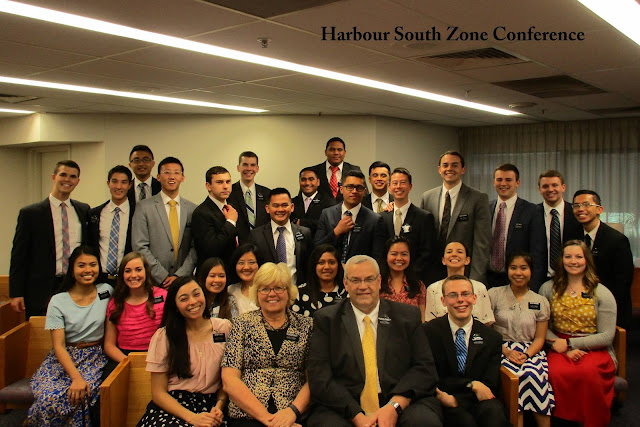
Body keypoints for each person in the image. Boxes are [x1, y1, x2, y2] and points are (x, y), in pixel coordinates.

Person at [307, 255, 441, 427]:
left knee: (424, 422)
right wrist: (356, 415)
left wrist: (395, 406)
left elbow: (425, 368)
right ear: (345, 284)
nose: (363, 286)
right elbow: (320, 377)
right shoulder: (326, 320)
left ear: (379, 281)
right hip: (345, 405)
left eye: (369, 279)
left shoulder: (407, 316)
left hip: (399, 399)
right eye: (355, 280)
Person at [28, 245, 112, 426]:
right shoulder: (58, 301)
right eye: (81, 265)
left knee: (85, 394)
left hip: (95, 356)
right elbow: (58, 346)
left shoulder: (106, 291)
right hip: (64, 357)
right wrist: (76, 377)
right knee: (49, 397)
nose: (88, 270)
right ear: (72, 270)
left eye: (93, 265)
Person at [221, 263, 313, 426]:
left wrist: (292, 412)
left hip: (293, 414)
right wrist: (267, 418)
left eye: (278, 288)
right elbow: (229, 379)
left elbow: (314, 379)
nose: (272, 294)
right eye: (264, 289)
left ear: (288, 292)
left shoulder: (307, 326)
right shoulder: (241, 324)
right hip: (247, 415)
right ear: (256, 293)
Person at [539, 240, 617, 427]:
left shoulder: (602, 293)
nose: (573, 261)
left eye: (578, 257)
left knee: (589, 374)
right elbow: (542, 326)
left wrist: (571, 345)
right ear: (561, 260)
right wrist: (562, 346)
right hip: (557, 345)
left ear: (587, 260)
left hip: (594, 348)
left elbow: (607, 336)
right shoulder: (548, 288)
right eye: (568, 257)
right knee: (556, 373)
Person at [138, 276, 231, 427]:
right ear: (175, 306)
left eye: (196, 294)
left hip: (212, 405)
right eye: (184, 299)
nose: (193, 302)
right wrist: (192, 418)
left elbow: (228, 378)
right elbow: (158, 393)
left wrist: (219, 406)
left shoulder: (224, 328)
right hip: (174, 406)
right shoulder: (164, 336)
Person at [423, 275, 510, 427]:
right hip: (442, 399)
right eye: (453, 295)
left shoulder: (492, 337)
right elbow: (432, 377)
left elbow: (489, 385)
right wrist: (471, 384)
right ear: (443, 301)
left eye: (465, 294)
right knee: (464, 422)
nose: (460, 300)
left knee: (495, 413)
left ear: (474, 298)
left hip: (477, 400)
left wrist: (458, 400)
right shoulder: (429, 332)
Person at [10, 160, 90, 318]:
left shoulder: (83, 210)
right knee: (42, 331)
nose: (67, 180)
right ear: (54, 177)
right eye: (63, 175)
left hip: (74, 285)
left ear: (77, 181)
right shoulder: (31, 214)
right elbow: (19, 255)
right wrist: (16, 292)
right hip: (41, 289)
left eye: (72, 177)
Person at [488, 253, 554, 427]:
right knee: (514, 378)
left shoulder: (540, 301)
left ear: (531, 271)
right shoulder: (494, 294)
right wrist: (506, 351)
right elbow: (487, 332)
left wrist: (526, 355)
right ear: (507, 270)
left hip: (531, 350)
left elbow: (540, 338)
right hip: (499, 348)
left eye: (523, 268)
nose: (518, 273)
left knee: (534, 375)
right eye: (513, 268)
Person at [420, 151, 491, 283]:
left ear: (462, 169)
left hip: (465, 273)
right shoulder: (427, 197)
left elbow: (482, 244)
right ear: (439, 169)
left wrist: (475, 280)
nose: (449, 169)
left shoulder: (478, 198)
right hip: (432, 273)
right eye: (445, 165)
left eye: (455, 165)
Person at [132, 156, 198, 287]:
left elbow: (195, 247)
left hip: (183, 281)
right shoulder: (144, 207)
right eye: (167, 172)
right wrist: (162, 276)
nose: (172, 177)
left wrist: (180, 275)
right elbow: (139, 246)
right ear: (158, 177)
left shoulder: (192, 209)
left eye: (176, 173)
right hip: (153, 281)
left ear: (182, 178)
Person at [572, 189, 633, 329]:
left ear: (600, 209)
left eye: (586, 204)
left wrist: (600, 304)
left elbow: (623, 283)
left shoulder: (617, 240)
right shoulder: (572, 236)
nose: (580, 209)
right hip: (579, 309)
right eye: (576, 206)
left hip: (609, 309)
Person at [103, 252, 166, 378]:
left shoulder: (163, 296)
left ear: (146, 272)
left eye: (138, 270)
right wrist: (129, 362)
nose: (134, 275)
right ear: (122, 275)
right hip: (124, 357)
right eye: (128, 271)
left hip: (158, 356)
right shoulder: (115, 303)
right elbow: (109, 345)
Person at [488, 164, 546, 291]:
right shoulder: (486, 209)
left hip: (519, 280)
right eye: (499, 180)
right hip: (488, 279)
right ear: (494, 182)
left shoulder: (532, 211)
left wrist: (533, 286)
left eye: (508, 180)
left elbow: (537, 253)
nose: (503, 183)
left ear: (517, 183)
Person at [315, 170, 387, 263]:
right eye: (350, 187)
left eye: (359, 188)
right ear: (341, 189)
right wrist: (336, 232)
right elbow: (317, 249)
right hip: (332, 269)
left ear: (364, 191)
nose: (354, 191)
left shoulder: (374, 220)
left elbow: (377, 257)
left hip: (360, 270)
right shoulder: (327, 214)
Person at [382, 167, 437, 284]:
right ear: (389, 187)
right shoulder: (382, 218)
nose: (398, 187)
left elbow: (427, 252)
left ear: (410, 186)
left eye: (403, 183)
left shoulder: (424, 217)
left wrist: (408, 276)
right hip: (387, 280)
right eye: (395, 183)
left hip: (415, 280)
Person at [249, 187, 312, 285]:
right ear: (267, 208)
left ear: (292, 207)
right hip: (268, 290)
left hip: (297, 290)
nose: (280, 209)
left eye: (284, 205)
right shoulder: (256, 235)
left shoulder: (304, 233)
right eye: (275, 205)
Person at [425, 242, 494, 324]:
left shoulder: (480, 288)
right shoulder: (433, 289)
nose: (454, 254)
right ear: (443, 260)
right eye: (449, 252)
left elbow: (487, 321)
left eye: (459, 252)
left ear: (467, 260)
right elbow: (430, 322)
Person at [87, 165, 134, 286]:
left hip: (128, 279)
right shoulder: (95, 214)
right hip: (99, 279)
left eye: (124, 182)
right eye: (114, 181)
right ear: (108, 183)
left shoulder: (138, 213)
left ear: (130, 185)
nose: (118, 186)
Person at [536, 170, 582, 281]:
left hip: (571, 278)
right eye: (545, 186)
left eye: (555, 185)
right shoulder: (531, 214)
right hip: (539, 279)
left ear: (563, 187)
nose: (550, 189)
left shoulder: (576, 214)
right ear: (540, 190)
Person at [192, 166, 239, 270]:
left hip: (233, 270)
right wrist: (230, 222)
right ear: (208, 186)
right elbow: (212, 248)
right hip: (213, 272)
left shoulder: (232, 208)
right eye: (219, 182)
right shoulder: (201, 212)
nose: (225, 186)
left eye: (228, 182)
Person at [291, 244, 347, 317]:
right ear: (314, 266)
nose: (327, 267)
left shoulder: (347, 292)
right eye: (321, 263)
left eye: (331, 262)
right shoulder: (299, 294)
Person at [380, 236, 427, 320]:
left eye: (404, 254)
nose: (399, 258)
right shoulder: (377, 283)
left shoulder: (418, 286)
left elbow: (422, 319)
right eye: (394, 254)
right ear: (386, 257)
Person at [228, 151, 270, 244]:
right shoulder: (229, 193)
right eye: (245, 165)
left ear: (257, 168)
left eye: (253, 165)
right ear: (238, 168)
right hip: (238, 247)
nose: (249, 168)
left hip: (262, 245)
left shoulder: (267, 193)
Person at [307, 137, 365, 202]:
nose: (336, 153)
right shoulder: (313, 171)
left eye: (339, 150)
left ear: (344, 152)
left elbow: (363, 195)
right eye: (332, 149)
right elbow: (304, 196)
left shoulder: (354, 170)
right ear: (325, 152)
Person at [291, 167, 337, 239]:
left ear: (318, 182)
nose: (307, 183)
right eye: (303, 180)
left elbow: (329, 224)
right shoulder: (292, 202)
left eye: (311, 179)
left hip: (320, 243)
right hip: (296, 243)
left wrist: (301, 222)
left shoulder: (328, 202)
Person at [227, 244, 262, 315]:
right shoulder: (231, 290)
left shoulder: (268, 290)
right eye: (241, 263)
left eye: (251, 262)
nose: (246, 267)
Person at [127, 145, 161, 211]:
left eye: (145, 160)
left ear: (153, 163)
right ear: (130, 165)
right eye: (136, 160)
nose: (141, 164)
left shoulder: (162, 187)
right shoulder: (126, 189)